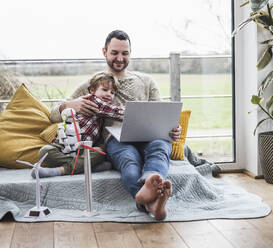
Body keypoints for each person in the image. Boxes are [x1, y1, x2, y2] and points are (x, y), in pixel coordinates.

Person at [49, 30, 181, 220]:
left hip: (150, 135)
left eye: (124, 53)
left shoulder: (146, 81)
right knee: (129, 163)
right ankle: (152, 203)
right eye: (114, 53)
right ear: (104, 52)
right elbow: (53, 113)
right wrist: (71, 105)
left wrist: (172, 129)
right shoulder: (93, 84)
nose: (120, 58)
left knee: (160, 148)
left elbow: (161, 113)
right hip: (117, 139)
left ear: (130, 53)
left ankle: (150, 183)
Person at [36, 72, 124, 178]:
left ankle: (67, 168)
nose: (109, 94)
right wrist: (130, 110)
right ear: (92, 91)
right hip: (64, 144)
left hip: (83, 148)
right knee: (45, 151)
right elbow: (116, 112)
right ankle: (86, 166)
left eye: (113, 92)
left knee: (100, 152)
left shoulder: (102, 110)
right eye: (105, 90)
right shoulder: (93, 101)